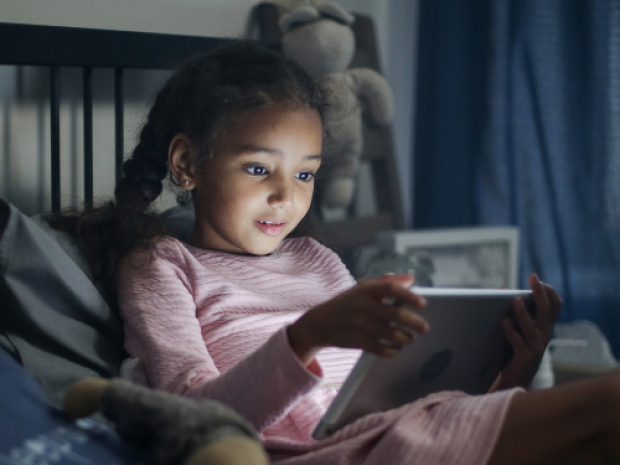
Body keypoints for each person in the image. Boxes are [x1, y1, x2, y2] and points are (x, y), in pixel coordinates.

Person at [55, 41, 620, 465]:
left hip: (395, 431)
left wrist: (514, 367)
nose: (286, 195)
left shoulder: (317, 261)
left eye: (306, 174)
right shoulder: (162, 265)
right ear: (186, 164)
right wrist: (308, 336)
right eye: (258, 168)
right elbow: (194, 417)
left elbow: (395, 393)